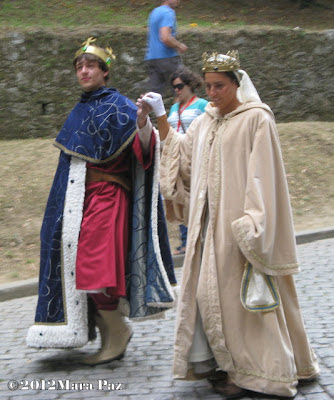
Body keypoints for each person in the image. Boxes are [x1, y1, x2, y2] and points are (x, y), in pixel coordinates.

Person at [136, 51, 320, 398]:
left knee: (249, 303)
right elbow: (184, 160)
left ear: (237, 83)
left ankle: (261, 371)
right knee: (210, 299)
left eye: (220, 86)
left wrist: (252, 225)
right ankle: (222, 365)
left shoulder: (257, 119)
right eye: (207, 86)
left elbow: (263, 176)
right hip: (207, 231)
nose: (213, 93)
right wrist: (159, 117)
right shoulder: (206, 120)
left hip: (239, 230)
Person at [26, 37, 176, 366]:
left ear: (105, 71)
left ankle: (117, 330)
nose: (84, 71)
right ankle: (109, 335)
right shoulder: (81, 109)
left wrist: (141, 123)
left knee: (95, 269)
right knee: (82, 269)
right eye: (79, 66)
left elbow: (146, 155)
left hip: (108, 199)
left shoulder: (120, 106)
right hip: (80, 202)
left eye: (91, 65)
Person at [167, 66, 208, 254]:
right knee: (180, 198)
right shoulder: (175, 107)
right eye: (174, 87)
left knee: (198, 198)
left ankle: (202, 237)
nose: (176, 90)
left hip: (196, 158)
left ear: (190, 85)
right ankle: (186, 241)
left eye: (179, 86)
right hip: (177, 159)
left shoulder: (202, 105)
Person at [145, 0, 188, 96]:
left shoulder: (154, 12)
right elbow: (165, 38)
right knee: (183, 88)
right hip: (167, 57)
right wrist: (180, 46)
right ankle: (182, 111)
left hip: (152, 58)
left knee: (154, 95)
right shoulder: (168, 12)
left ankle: (149, 111)